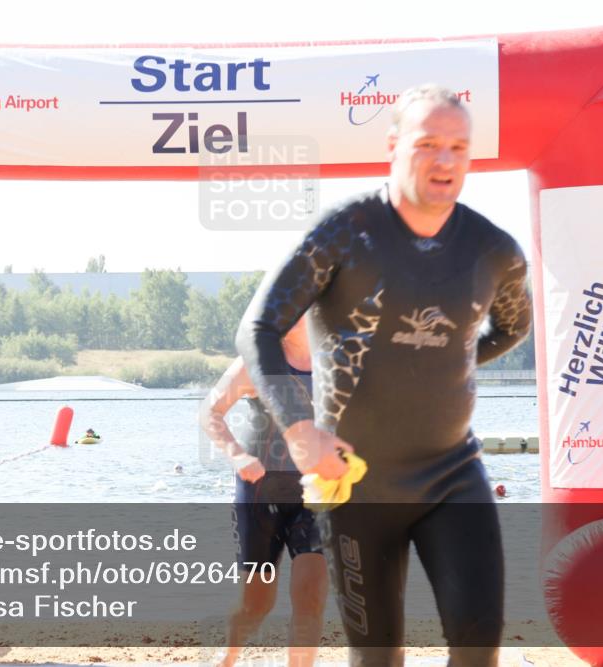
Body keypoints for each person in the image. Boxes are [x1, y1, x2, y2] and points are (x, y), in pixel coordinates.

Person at [235, 84, 532, 667]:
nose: (444, 160)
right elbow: (259, 329)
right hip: (355, 486)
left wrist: (446, 364)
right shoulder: (346, 232)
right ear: (393, 146)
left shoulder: (493, 251)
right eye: (427, 144)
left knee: (479, 646)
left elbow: (513, 327)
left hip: (452, 476)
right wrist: (300, 430)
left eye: (458, 147)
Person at [200, 316, 328, 667]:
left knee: (311, 597)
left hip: (316, 496)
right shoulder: (257, 361)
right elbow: (211, 411)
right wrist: (237, 455)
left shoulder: (334, 361)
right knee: (255, 605)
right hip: (260, 494)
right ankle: (227, 658)